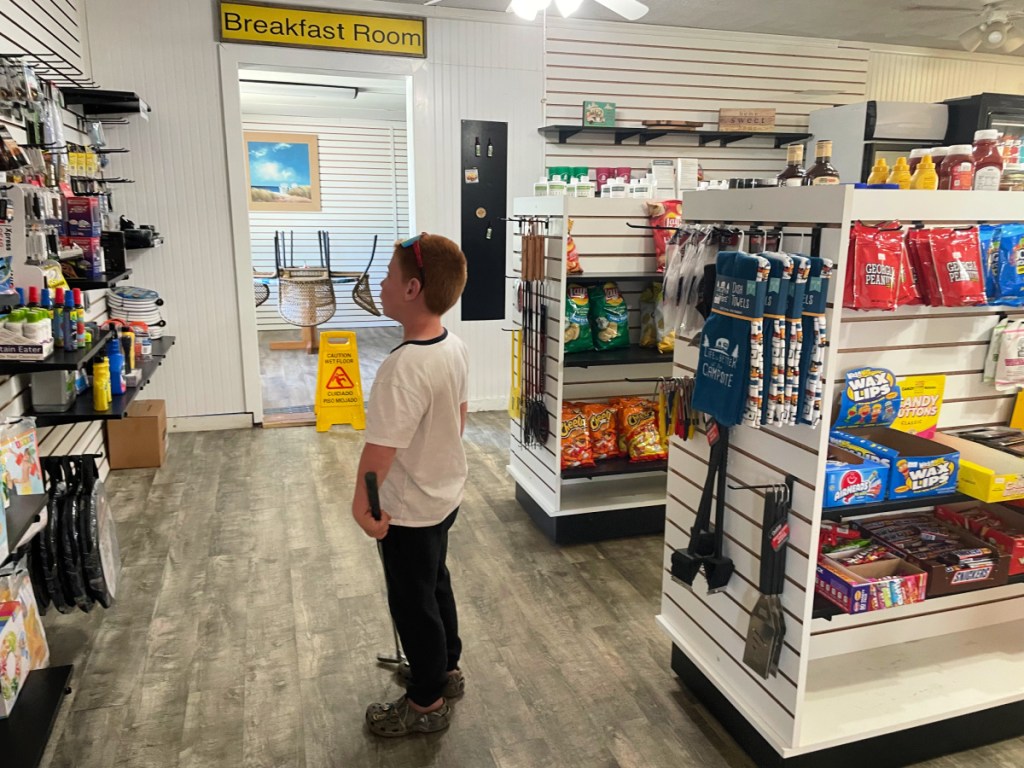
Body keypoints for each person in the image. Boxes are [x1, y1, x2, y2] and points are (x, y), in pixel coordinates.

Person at [351, 233, 469, 738]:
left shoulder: (402, 369)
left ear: (412, 288)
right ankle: (446, 669)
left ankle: (426, 702)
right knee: (434, 585)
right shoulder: (453, 346)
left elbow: (379, 455)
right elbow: (459, 421)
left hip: (407, 509)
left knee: (412, 604)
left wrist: (364, 506)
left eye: (389, 277)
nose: (380, 283)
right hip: (444, 496)